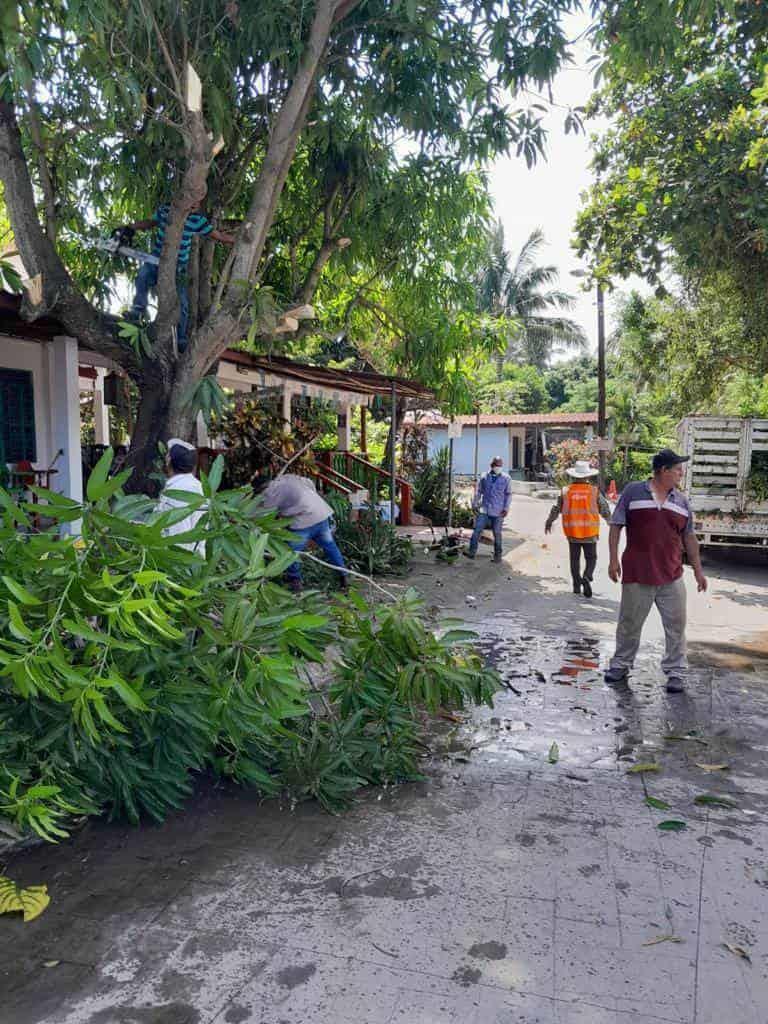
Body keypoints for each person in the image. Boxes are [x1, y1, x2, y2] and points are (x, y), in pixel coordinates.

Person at [604, 448, 707, 694]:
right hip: (637, 573)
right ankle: (620, 665)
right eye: (678, 469)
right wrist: (612, 560)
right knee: (629, 623)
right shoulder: (632, 492)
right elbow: (616, 526)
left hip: (671, 575)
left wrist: (698, 571)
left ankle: (675, 671)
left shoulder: (681, 501)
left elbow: (689, 537)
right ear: (663, 471)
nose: (681, 474)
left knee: (676, 625)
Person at [116, 201, 235, 351]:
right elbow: (150, 222)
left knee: (182, 303)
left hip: (179, 267)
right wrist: (130, 227)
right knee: (142, 277)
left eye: (198, 202)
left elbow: (217, 235)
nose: (194, 204)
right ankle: (138, 311)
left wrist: (235, 240)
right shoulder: (166, 210)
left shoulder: (198, 220)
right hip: (155, 259)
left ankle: (180, 337)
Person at [254, 473, 348, 593]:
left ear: (261, 488)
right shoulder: (287, 477)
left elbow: (262, 512)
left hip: (303, 521)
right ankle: (344, 576)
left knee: (292, 553)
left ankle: (295, 582)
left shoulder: (269, 493)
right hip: (320, 514)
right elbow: (309, 481)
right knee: (330, 547)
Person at [545, 459, 611, 597]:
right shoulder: (594, 491)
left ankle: (576, 586)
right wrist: (611, 522)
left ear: (573, 476)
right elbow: (604, 509)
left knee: (574, 559)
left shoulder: (565, 491)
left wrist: (549, 521)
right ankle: (587, 577)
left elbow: (556, 508)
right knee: (591, 558)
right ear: (587, 476)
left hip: (572, 532)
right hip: (590, 532)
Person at [156, 438, 206, 553]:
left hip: (178, 560)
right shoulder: (197, 486)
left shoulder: (176, 491)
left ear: (169, 461)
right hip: (194, 557)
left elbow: (178, 532)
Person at [463, 456, 512, 564]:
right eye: (496, 465)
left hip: (498, 511)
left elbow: (508, 495)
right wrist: (475, 504)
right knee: (477, 531)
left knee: (497, 534)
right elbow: (479, 491)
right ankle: (472, 552)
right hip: (484, 510)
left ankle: (498, 556)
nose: (498, 467)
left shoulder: (506, 478)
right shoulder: (485, 477)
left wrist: (506, 508)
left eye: (500, 465)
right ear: (492, 465)